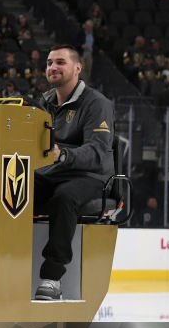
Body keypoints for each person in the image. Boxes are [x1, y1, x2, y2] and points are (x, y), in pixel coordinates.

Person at [33, 45, 115, 301]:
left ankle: (52, 278)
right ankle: (6, 265)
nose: (52, 67)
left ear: (77, 68)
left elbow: (98, 151)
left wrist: (64, 154)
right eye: (48, 63)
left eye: (60, 62)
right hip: (52, 173)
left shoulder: (96, 103)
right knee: (12, 192)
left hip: (90, 177)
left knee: (65, 198)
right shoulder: (43, 102)